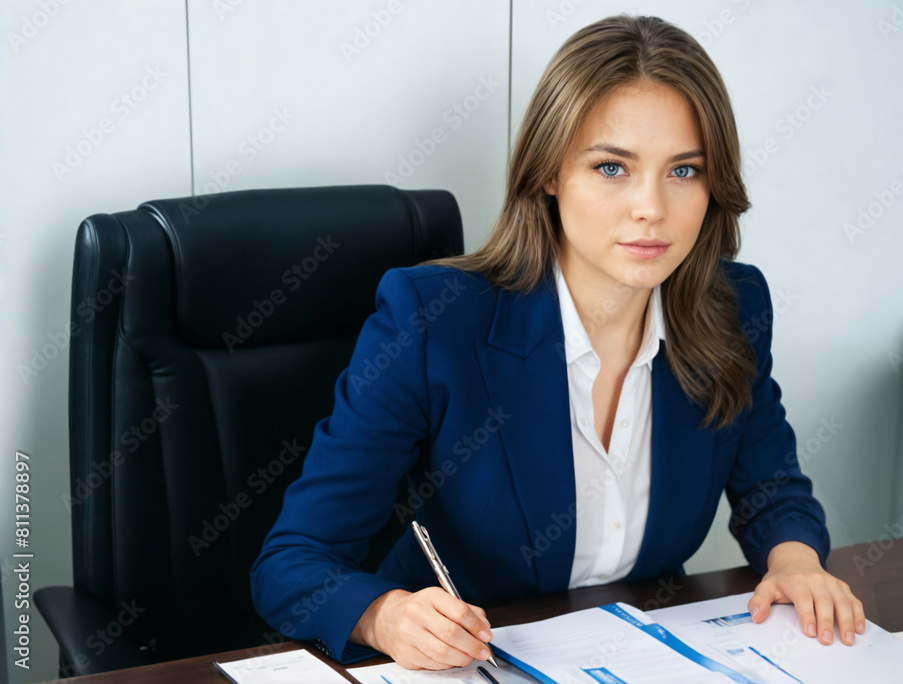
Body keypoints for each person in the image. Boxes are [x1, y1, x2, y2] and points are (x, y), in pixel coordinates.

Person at [251, 13, 865, 671]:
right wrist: (383, 615)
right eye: (612, 168)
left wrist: (796, 562)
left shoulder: (733, 309)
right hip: (465, 661)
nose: (651, 208)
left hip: (642, 657)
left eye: (684, 171)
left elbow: (772, 487)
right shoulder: (434, 321)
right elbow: (292, 562)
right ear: (549, 173)